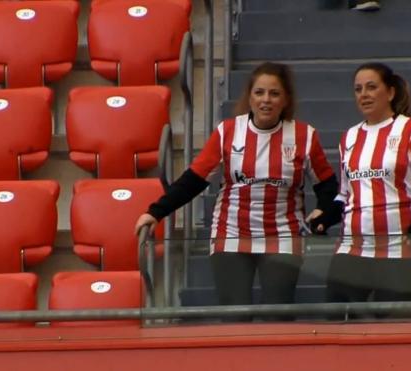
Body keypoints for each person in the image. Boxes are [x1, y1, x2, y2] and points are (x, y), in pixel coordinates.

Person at [135, 62, 337, 320]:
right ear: (249, 97)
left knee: (278, 315)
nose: (266, 100)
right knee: (234, 316)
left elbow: (328, 185)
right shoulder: (228, 132)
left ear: (286, 99)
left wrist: (323, 210)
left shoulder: (303, 136)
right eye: (259, 92)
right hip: (231, 231)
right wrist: (156, 212)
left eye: (274, 94)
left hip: (283, 234)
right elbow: (193, 180)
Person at [311, 62, 411, 310]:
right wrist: (327, 218)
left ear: (390, 93)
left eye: (371, 87)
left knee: (397, 332)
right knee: (337, 320)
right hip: (353, 248)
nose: (364, 94)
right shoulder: (348, 137)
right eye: (358, 89)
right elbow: (345, 193)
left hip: (401, 248)